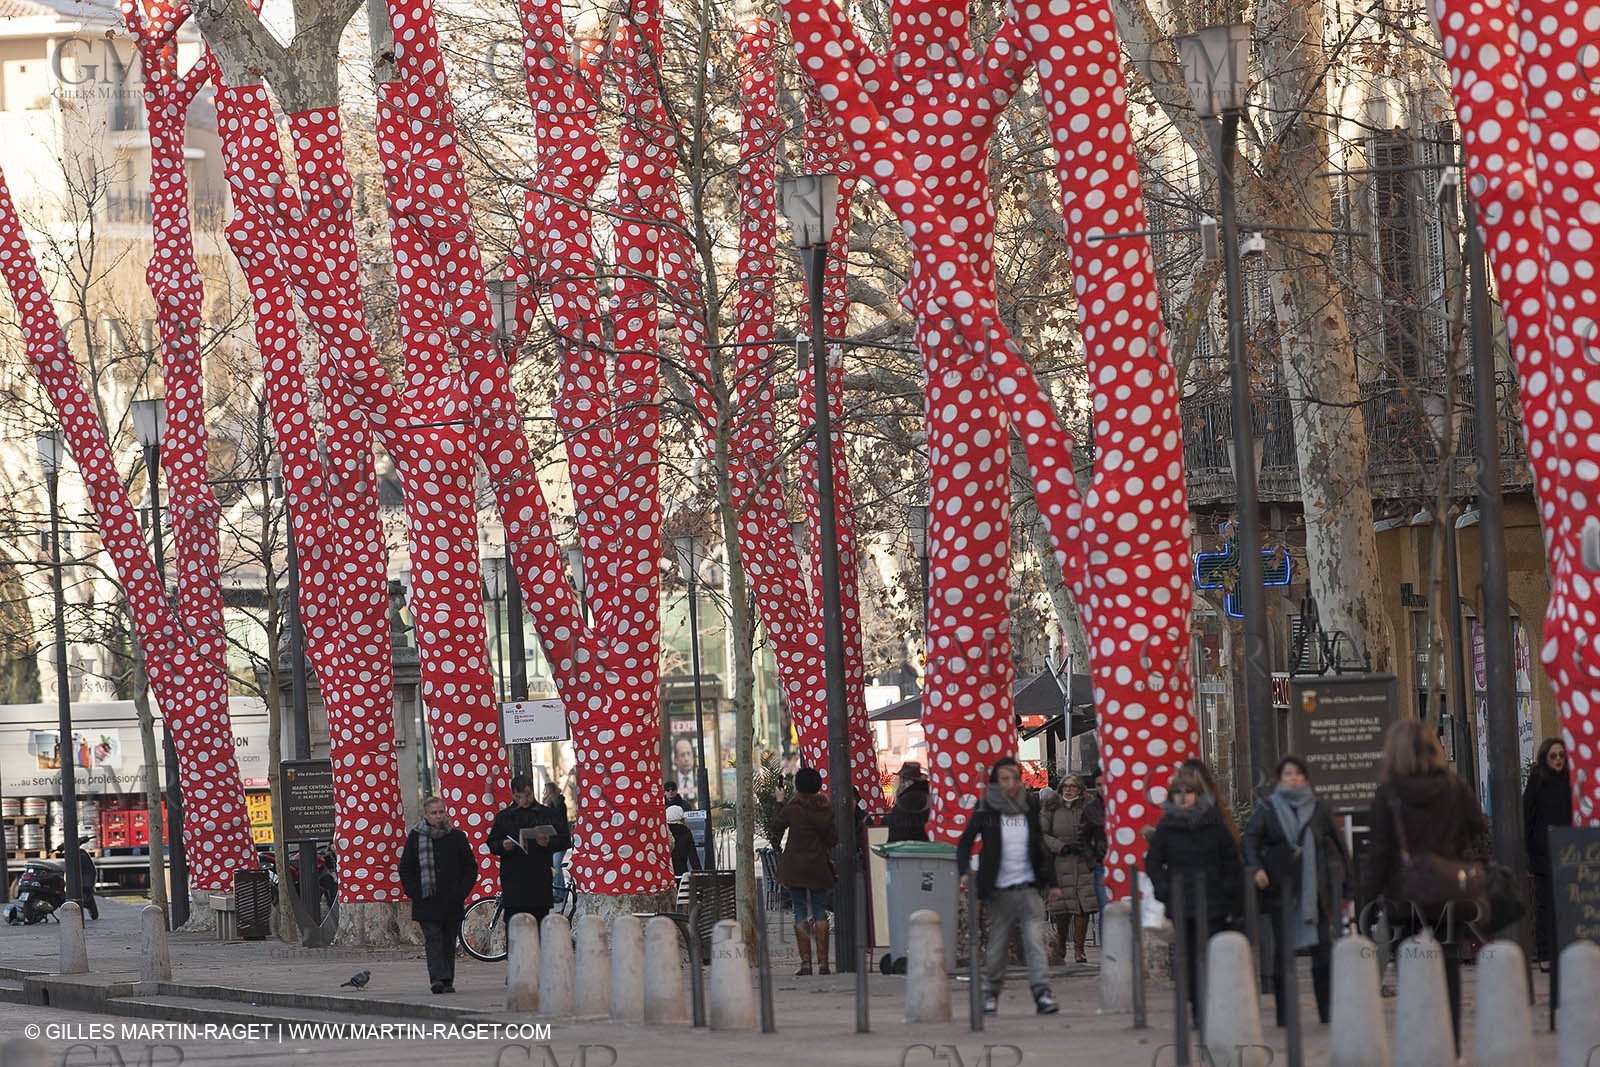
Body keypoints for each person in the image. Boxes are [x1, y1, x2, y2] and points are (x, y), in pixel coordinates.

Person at [1359, 718, 1487, 1053]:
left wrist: (1364, 904)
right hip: (1447, 891)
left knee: (1411, 964)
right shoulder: (1453, 786)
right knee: (1447, 965)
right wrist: (1450, 847)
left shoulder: (1388, 793)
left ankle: (1419, 1047)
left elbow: (1379, 854)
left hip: (1405, 894)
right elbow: (1478, 824)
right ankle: (1452, 1046)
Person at [1243, 755, 1351, 1026]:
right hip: (1281, 890)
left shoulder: (1318, 808)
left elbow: (1339, 846)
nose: (1294, 778)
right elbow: (1250, 839)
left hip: (1315, 891)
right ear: (1280, 779)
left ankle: (1327, 1012)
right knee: (1283, 954)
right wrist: (1256, 868)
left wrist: (1347, 883)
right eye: (1288, 774)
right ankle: (1284, 1016)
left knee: (1323, 953)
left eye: (1299, 774)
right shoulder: (1268, 808)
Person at [955, 756, 1062, 1016]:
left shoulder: (1028, 807)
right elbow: (965, 842)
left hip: (1028, 887)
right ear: (995, 783)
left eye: (1015, 777)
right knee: (998, 944)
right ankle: (991, 993)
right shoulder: (986, 809)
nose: (1011, 783)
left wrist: (1052, 883)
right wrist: (964, 872)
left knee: (1034, 941)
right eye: (1005, 778)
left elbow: (1039, 846)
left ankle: (1042, 993)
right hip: (1000, 889)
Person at [1146, 763, 1243, 1028]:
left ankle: (1213, 1004)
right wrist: (1165, 890)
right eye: (1178, 792)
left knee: (1211, 953)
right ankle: (1198, 1008)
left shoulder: (1214, 823)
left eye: (1189, 792)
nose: (1183, 797)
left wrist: (1227, 892)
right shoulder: (1167, 825)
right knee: (1188, 957)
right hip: (1181, 900)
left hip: (1213, 901)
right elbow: (1154, 862)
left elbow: (1231, 861)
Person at [398, 796, 478, 993]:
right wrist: (415, 892)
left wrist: (461, 891)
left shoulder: (457, 837)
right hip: (427, 900)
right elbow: (406, 868)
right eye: (434, 813)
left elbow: (470, 867)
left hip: (451, 899)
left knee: (449, 940)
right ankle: (437, 979)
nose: (438, 816)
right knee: (434, 939)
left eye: (441, 812)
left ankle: (448, 979)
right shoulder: (416, 837)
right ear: (426, 815)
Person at [773, 766, 837, 975]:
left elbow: (776, 825)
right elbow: (833, 839)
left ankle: (806, 964)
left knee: (800, 910)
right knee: (819, 911)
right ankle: (824, 963)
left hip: (795, 867)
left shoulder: (793, 808)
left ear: (798, 786)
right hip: (818, 866)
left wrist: (779, 801)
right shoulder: (826, 809)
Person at [488, 774, 573, 929]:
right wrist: (503, 845)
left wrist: (549, 842)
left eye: (528, 795)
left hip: (539, 881)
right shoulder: (505, 816)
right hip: (514, 883)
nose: (524, 800)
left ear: (533, 792)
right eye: (519, 796)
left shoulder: (547, 814)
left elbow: (565, 840)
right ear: (513, 794)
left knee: (540, 929)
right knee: (515, 930)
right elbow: (492, 843)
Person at [1041, 775, 1101, 965]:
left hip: (1083, 861)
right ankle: (1061, 948)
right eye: (1065, 786)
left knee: (1082, 907)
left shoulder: (1087, 808)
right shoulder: (1051, 808)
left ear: (1080, 789)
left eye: (1073, 786)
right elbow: (1042, 833)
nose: (1068, 790)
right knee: (1062, 908)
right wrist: (1060, 847)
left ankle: (1079, 949)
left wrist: (1088, 847)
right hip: (1060, 861)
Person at [1524, 736, 1572, 967]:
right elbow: (1527, 816)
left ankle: (1566, 951)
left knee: (1568, 903)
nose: (1558, 760)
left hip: (1569, 851)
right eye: (1553, 756)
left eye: (1562, 755)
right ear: (1545, 758)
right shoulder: (1537, 781)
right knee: (1545, 906)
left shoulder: (1569, 781)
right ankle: (1544, 955)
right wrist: (1529, 850)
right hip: (1544, 853)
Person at [886, 761, 931, 842]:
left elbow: (898, 831)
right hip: (929, 845)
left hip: (907, 847)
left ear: (903, 780)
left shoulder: (905, 801)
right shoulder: (929, 795)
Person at [666, 805, 699, 876]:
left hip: (667, 874)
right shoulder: (686, 833)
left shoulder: (663, 833)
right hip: (682, 874)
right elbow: (693, 858)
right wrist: (699, 874)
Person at [671, 736, 699, 806]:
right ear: (675, 759)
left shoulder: (699, 778)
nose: (686, 759)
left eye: (689, 753)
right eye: (682, 755)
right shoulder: (671, 780)